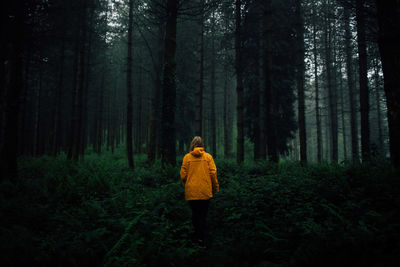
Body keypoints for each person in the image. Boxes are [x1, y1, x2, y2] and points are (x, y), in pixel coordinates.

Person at [180, 136, 219, 247]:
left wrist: (186, 185)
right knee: (203, 215)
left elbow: (183, 176)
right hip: (205, 191)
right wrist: (215, 187)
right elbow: (213, 174)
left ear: (192, 145)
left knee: (195, 214)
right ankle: (202, 238)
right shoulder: (208, 157)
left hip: (191, 191)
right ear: (202, 145)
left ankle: (196, 238)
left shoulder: (187, 158)